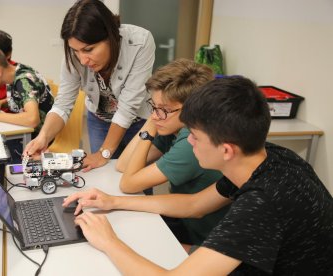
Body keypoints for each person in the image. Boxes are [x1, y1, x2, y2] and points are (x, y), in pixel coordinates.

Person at [63, 76, 333, 275]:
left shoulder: (264, 203)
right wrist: (113, 201)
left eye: (194, 136)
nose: (189, 142)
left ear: (226, 149)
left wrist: (110, 242)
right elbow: (195, 205)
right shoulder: (269, 157)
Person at [23, 0, 155, 171]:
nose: (83, 60)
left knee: (136, 178)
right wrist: (44, 137)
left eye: (88, 49)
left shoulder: (140, 42)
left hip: (138, 120)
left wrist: (104, 153)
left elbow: (128, 108)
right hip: (100, 120)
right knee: (103, 174)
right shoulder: (73, 55)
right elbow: (63, 103)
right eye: (76, 51)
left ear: (110, 35)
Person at [116, 58, 228, 252]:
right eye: (154, 106)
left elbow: (128, 183)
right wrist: (155, 118)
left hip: (209, 243)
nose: (156, 115)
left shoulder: (191, 142)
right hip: (188, 225)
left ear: (193, 108)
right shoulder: (173, 127)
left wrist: (154, 120)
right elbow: (123, 165)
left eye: (165, 110)